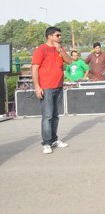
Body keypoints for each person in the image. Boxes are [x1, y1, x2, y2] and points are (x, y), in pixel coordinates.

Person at [31, 26, 73, 154]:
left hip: (58, 86)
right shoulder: (41, 49)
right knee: (47, 116)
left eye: (60, 35)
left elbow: (69, 61)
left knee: (55, 116)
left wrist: (60, 50)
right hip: (46, 87)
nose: (60, 37)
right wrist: (37, 87)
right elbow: (35, 69)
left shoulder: (60, 49)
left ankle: (54, 139)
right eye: (57, 35)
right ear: (49, 36)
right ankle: (46, 142)